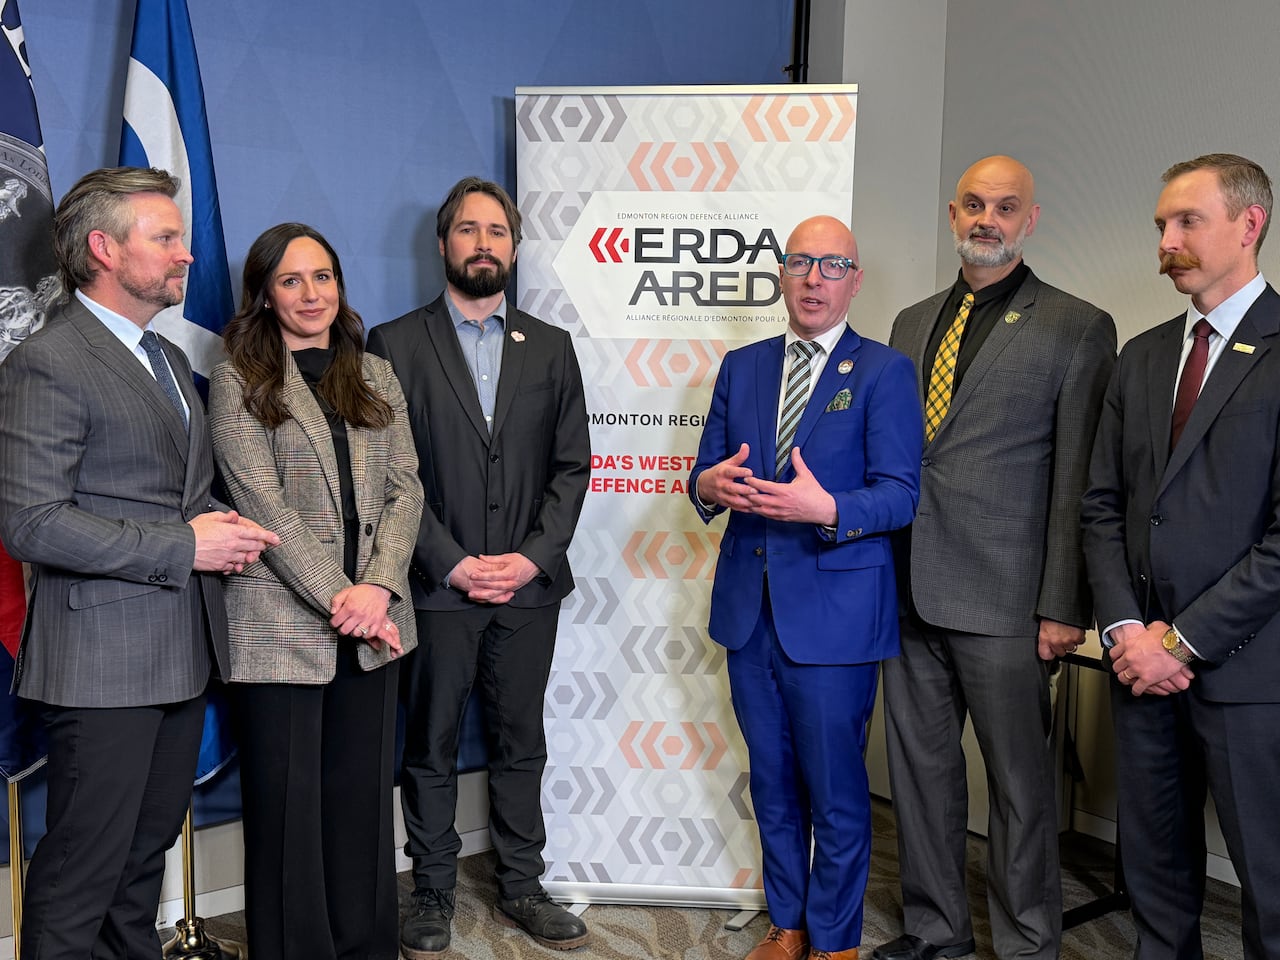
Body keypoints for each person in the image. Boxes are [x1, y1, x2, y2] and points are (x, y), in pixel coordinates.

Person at [0, 166, 278, 960]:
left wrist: (208, 523)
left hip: (178, 655)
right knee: (81, 873)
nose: (186, 255)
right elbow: (33, 522)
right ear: (104, 249)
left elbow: (153, 493)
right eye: (165, 238)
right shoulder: (49, 361)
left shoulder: (159, 358)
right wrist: (186, 544)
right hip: (99, 664)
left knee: (139, 862)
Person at [876, 155, 1116, 960]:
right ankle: (936, 931)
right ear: (953, 215)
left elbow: (1079, 478)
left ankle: (1024, 944)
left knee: (1019, 792)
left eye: (1005, 207)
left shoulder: (1076, 326)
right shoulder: (910, 324)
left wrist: (1063, 608)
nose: (988, 219)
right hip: (910, 589)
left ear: (1030, 220)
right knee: (922, 778)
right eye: (974, 205)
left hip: (1011, 603)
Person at [366, 177, 591, 956]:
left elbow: (572, 469)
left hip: (529, 593)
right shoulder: (392, 346)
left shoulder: (551, 347)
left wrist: (529, 561)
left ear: (516, 247)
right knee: (428, 744)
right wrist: (455, 563)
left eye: (498, 231)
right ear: (443, 243)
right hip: (436, 589)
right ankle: (430, 890)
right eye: (469, 230)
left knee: (519, 740)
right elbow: (391, 477)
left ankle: (522, 886)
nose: (484, 243)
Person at [689, 215, 922, 960]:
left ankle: (834, 940)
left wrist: (826, 508)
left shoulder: (884, 371)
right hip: (749, 616)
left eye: (832, 265)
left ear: (854, 280)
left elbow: (901, 495)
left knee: (837, 792)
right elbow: (704, 475)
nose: (814, 277)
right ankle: (787, 924)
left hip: (836, 619)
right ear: (782, 276)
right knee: (774, 786)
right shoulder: (743, 366)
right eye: (800, 262)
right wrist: (708, 483)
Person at [1082, 153, 1280, 960]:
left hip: (1248, 676)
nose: (1166, 240)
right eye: (1162, 225)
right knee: (1155, 878)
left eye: (1187, 222)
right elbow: (1102, 507)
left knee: (1269, 883)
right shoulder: (1144, 354)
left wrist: (1180, 641)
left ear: (1249, 224)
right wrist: (1129, 631)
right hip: (1140, 667)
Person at [207, 223, 424, 960]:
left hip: (376, 620)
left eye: (323, 277)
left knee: (361, 806)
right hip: (281, 622)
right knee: (288, 813)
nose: (311, 294)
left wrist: (380, 587)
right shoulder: (238, 376)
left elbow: (406, 490)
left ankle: (366, 948)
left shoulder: (374, 374)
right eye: (292, 280)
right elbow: (261, 503)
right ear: (265, 293)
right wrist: (347, 599)